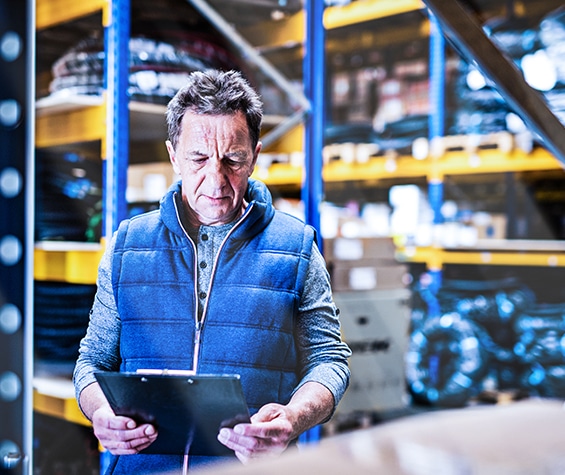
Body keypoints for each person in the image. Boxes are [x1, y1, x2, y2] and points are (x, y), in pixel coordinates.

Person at [73, 69, 351, 474]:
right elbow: (92, 362)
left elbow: (329, 360)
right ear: (174, 156)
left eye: (233, 159)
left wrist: (294, 417)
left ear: (254, 156)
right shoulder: (128, 245)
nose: (216, 180)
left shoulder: (296, 247)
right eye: (199, 159)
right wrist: (100, 413)